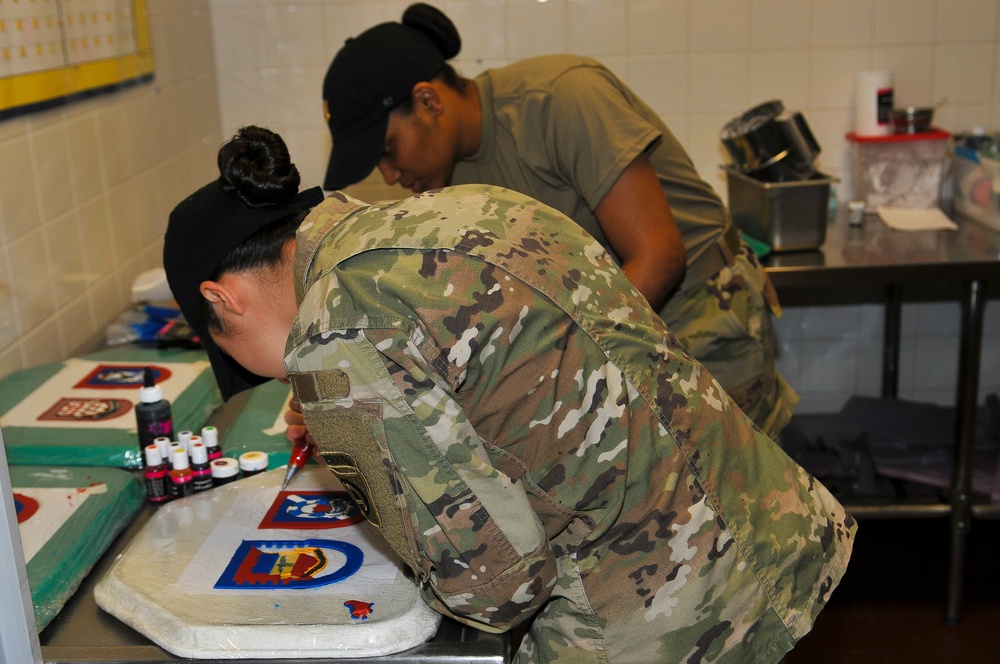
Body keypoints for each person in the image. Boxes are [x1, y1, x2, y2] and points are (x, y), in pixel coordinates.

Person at [163, 125, 854, 664]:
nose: (275, 376)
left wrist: (363, 467)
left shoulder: (332, 335)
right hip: (753, 512)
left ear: (221, 299)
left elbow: (498, 587)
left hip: (657, 610)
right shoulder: (453, 210)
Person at [320, 3, 799, 438]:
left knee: (732, 505)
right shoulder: (448, 176)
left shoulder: (561, 98)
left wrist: (547, 370)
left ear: (428, 101)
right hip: (611, 326)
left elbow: (659, 257)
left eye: (388, 150)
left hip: (698, 307)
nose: (389, 174)